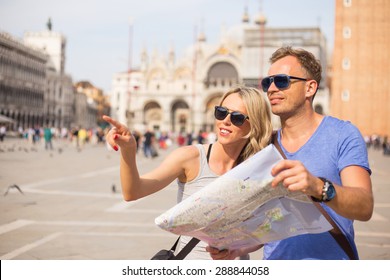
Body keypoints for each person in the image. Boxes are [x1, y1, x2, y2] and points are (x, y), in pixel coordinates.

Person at [207, 46, 374, 260]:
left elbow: (364, 206)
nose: (272, 88)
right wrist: (238, 248)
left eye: (282, 80)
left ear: (310, 88)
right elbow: (270, 223)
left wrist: (319, 187)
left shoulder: (342, 134)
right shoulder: (265, 146)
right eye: (268, 82)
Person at [103, 86, 273, 259]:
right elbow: (133, 191)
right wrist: (128, 150)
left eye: (237, 117)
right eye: (221, 112)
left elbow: (264, 230)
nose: (225, 121)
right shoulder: (190, 157)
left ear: (255, 123)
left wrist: (238, 250)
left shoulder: (258, 169)